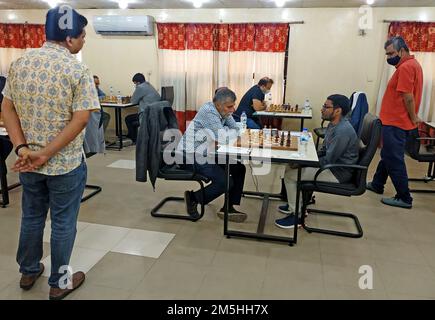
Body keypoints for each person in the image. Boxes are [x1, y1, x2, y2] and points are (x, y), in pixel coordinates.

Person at [1, 6, 100, 300]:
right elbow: (81, 118)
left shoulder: (20, 64)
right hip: (65, 164)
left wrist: (23, 148)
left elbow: (7, 108)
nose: (83, 42)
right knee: (63, 222)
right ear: (70, 39)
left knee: (31, 216)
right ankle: (59, 282)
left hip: (27, 162)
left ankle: (29, 270)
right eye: (82, 36)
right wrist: (46, 153)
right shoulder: (77, 69)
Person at [276, 94, 359, 229]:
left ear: (338, 111)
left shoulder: (342, 131)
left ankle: (296, 215)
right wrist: (302, 160)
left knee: (291, 176)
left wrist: (303, 162)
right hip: (332, 166)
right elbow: (325, 151)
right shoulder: (334, 125)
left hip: (337, 172)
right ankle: (296, 204)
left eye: (326, 107)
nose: (322, 109)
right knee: (289, 167)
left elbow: (327, 160)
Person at [367, 36, 423, 209]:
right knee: (387, 155)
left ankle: (404, 197)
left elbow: (408, 97)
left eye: (391, 53)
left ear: (402, 50)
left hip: (396, 122)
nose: (389, 57)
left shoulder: (406, 67)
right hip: (394, 121)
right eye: (387, 54)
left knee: (394, 159)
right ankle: (377, 184)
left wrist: (414, 118)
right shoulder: (411, 65)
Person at [178, 88, 247, 222]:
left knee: (239, 168)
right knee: (225, 182)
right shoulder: (208, 111)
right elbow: (224, 138)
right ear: (219, 104)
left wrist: (227, 133)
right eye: (230, 106)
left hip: (206, 152)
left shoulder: (223, 111)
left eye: (233, 105)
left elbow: (236, 129)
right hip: (189, 155)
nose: (233, 110)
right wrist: (227, 134)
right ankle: (193, 198)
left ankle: (229, 207)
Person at [125, 73, 161, 143]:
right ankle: (133, 136)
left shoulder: (140, 87)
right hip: (154, 112)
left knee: (128, 119)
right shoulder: (148, 85)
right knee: (131, 118)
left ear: (138, 82)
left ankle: (133, 139)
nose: (135, 85)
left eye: (135, 83)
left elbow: (133, 101)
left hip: (146, 114)